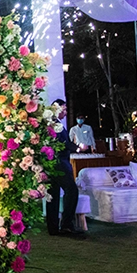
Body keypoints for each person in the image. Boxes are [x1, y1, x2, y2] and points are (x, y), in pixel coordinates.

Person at [47, 99, 82, 236]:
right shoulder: (55, 125)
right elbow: (62, 144)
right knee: (72, 190)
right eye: (64, 109)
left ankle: (53, 227)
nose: (66, 113)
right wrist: (77, 148)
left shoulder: (52, 123)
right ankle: (67, 224)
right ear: (58, 109)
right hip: (60, 163)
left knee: (53, 195)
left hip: (51, 163)